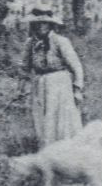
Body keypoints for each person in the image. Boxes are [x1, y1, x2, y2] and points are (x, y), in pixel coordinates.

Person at [22, 8, 85, 148]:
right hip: (39, 83)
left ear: (50, 25)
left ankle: (65, 150)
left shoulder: (60, 41)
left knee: (60, 119)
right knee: (41, 119)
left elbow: (76, 66)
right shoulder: (30, 43)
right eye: (37, 24)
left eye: (44, 23)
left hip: (59, 83)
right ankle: (46, 150)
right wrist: (23, 87)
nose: (40, 27)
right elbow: (25, 67)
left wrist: (77, 88)